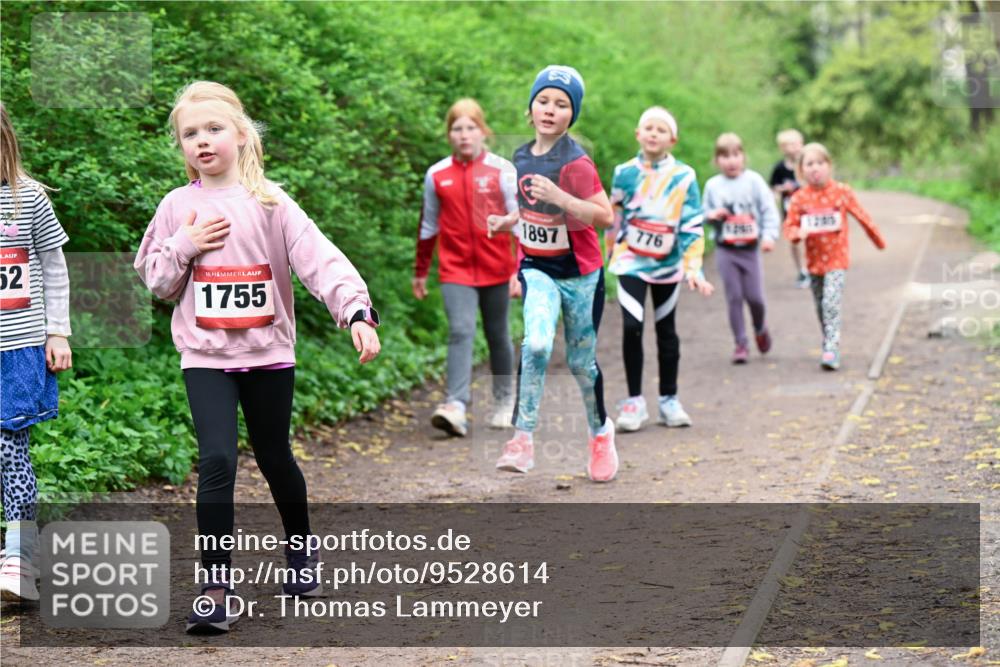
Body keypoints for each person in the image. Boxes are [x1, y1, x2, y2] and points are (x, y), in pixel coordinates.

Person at [134, 81, 381, 633]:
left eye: (213, 129)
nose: (202, 141)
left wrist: (357, 313)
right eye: (189, 134)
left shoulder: (270, 201)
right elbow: (156, 279)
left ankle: (300, 553)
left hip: (269, 354)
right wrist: (185, 245)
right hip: (205, 356)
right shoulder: (178, 206)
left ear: (243, 135)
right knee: (217, 461)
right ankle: (215, 588)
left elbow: (321, 260)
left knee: (274, 458)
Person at [486, 66, 617, 482]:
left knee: (581, 365)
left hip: (581, 274)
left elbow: (604, 216)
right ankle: (521, 439)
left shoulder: (576, 163)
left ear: (570, 116)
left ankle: (601, 434)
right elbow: (532, 209)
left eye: (561, 104)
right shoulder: (522, 155)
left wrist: (562, 196)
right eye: (543, 100)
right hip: (537, 267)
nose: (550, 109)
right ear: (530, 109)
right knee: (537, 343)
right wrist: (508, 221)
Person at [0, 103, 72, 602]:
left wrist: (58, 332)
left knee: (10, 448)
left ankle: (19, 558)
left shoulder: (29, 201)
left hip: (18, 346)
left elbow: (54, 267)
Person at [413, 98, 519, 437]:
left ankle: (505, 401)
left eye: (470, 128)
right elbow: (428, 226)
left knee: (498, 334)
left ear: (483, 131)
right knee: (460, 330)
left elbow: (520, 224)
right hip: (455, 269)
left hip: (498, 268)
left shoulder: (502, 170)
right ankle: (455, 405)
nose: (464, 135)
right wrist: (420, 271)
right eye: (457, 129)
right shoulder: (437, 175)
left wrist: (520, 268)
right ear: (449, 135)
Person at [606, 106, 713, 432]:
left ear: (673, 139)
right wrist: (607, 254)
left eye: (661, 129)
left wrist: (694, 268)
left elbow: (692, 224)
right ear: (638, 134)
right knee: (631, 325)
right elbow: (613, 215)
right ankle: (634, 401)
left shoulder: (684, 176)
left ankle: (669, 400)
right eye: (648, 128)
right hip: (630, 261)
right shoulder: (624, 173)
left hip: (668, 264)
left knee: (666, 330)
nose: (653, 133)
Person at [783, 142, 886, 370]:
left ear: (829, 166)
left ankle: (831, 348)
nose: (815, 169)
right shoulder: (799, 198)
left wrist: (878, 241)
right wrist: (798, 234)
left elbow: (862, 216)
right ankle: (828, 340)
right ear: (801, 170)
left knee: (831, 302)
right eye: (809, 164)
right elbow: (789, 227)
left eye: (820, 163)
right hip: (814, 262)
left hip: (837, 259)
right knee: (821, 306)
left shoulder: (842, 192)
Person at [703, 133, 780, 364]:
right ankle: (740, 343)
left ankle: (759, 327)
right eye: (725, 156)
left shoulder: (754, 181)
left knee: (755, 297)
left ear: (743, 157)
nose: (731, 161)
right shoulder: (712, 186)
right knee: (734, 296)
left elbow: (768, 209)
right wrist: (711, 215)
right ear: (717, 161)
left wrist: (769, 236)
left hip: (750, 249)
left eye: (736, 154)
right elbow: (699, 214)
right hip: (726, 250)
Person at [769, 129, 808, 288]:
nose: (794, 148)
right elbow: (773, 187)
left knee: (810, 238)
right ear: (783, 148)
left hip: (809, 210)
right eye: (789, 145)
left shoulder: (808, 163)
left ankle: (813, 267)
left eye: (796, 143)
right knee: (794, 240)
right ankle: (802, 270)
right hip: (789, 211)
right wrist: (782, 189)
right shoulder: (779, 168)